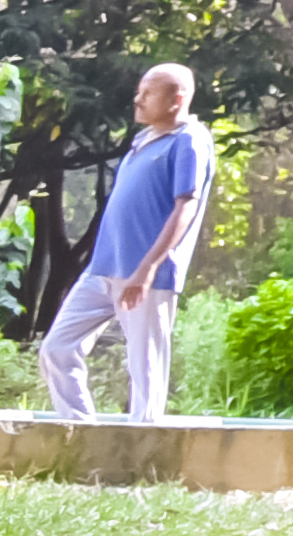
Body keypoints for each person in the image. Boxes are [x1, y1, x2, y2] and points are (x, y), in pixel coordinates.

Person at [42, 62, 213, 423]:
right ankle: (80, 433)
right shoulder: (142, 139)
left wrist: (148, 268)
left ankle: (143, 452)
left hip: (147, 273)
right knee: (57, 348)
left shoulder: (190, 140)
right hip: (103, 267)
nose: (137, 99)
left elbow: (187, 204)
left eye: (147, 93)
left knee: (145, 367)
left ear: (175, 98)